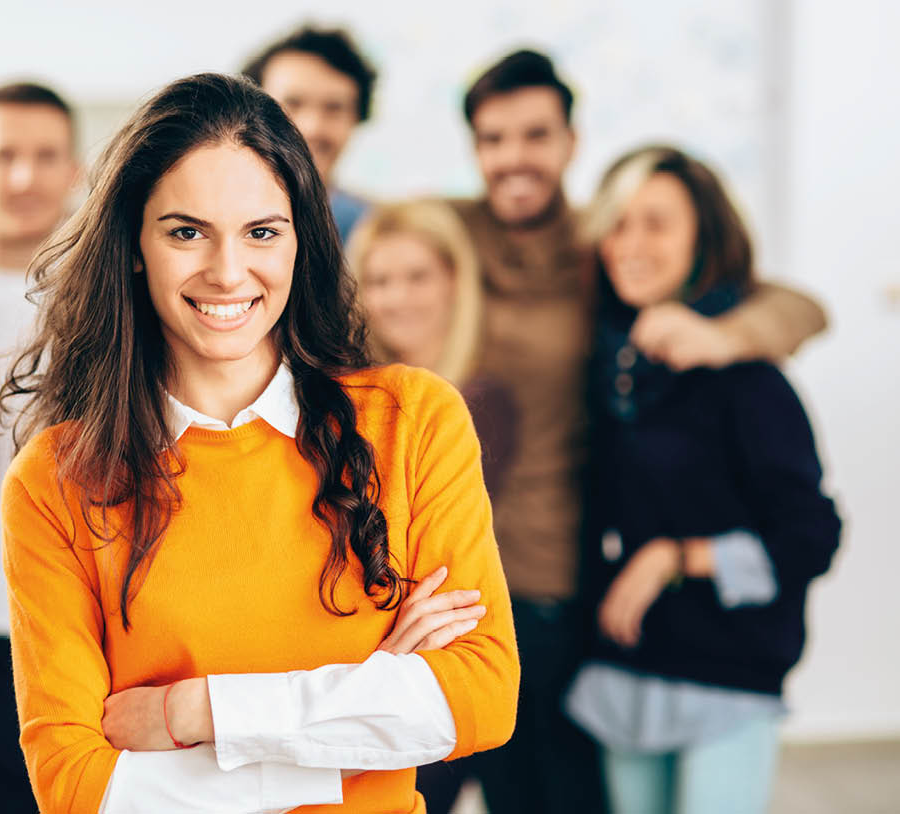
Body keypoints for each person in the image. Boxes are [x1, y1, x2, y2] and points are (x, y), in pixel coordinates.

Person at [0, 73, 520, 814]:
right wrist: (359, 723)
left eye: (262, 232)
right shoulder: (56, 479)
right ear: (134, 245)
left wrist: (197, 712)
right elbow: (78, 787)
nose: (227, 271)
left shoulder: (412, 421)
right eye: (185, 231)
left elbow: (479, 697)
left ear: (300, 240)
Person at [423, 49, 830, 814]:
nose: (513, 157)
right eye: (492, 138)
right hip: (455, 585)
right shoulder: (446, 238)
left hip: (567, 592)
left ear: (570, 142)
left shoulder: (600, 245)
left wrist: (723, 336)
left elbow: (798, 307)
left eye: (534, 134)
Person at [565, 145, 841, 813]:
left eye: (656, 223)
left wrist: (675, 558)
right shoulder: (607, 369)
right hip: (622, 672)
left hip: (726, 677)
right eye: (617, 223)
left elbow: (810, 537)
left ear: (702, 240)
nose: (629, 244)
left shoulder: (748, 380)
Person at [0, 80, 80, 814]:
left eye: (45, 156)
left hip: (72, 620)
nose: (25, 177)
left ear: (76, 172)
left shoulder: (112, 301)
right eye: (5, 156)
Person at [348, 198, 519, 497]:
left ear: (453, 280)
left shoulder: (483, 404)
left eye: (418, 277)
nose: (398, 298)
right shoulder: (351, 396)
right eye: (380, 281)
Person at [242, 25, 376, 242]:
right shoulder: (201, 214)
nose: (312, 127)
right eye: (293, 103)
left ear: (357, 118)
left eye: (334, 108)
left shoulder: (374, 230)